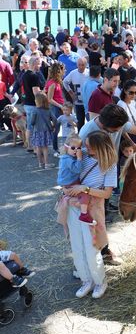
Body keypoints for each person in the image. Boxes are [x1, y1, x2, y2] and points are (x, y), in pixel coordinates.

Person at [61, 130, 118, 298]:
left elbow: (107, 194)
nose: (84, 149)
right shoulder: (82, 153)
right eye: (84, 145)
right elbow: (66, 164)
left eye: (89, 147)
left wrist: (84, 189)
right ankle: (86, 279)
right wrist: (65, 185)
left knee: (91, 247)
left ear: (100, 148)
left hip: (91, 208)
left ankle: (100, 281)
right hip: (73, 204)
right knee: (77, 246)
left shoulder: (110, 165)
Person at [57, 133, 96, 225]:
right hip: (70, 182)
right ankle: (84, 214)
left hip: (71, 181)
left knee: (83, 191)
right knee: (85, 193)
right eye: (73, 148)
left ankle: (80, 204)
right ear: (66, 147)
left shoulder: (69, 156)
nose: (76, 151)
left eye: (79, 148)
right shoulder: (67, 159)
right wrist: (79, 158)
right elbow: (77, 169)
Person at [22, 53, 44, 151]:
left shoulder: (25, 74)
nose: (40, 66)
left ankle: (29, 146)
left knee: (29, 126)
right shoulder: (34, 76)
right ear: (34, 64)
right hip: (34, 104)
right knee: (35, 127)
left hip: (27, 103)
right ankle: (36, 148)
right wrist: (44, 92)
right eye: (39, 64)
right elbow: (36, 92)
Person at [62, 57, 89, 131]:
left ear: (86, 65)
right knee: (80, 122)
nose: (81, 67)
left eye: (82, 65)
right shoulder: (73, 73)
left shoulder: (89, 73)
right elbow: (65, 82)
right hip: (78, 102)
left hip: (88, 103)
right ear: (77, 64)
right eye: (79, 65)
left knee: (90, 122)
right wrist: (70, 92)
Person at [30, 92, 56, 169]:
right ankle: (47, 163)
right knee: (45, 148)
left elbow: (32, 122)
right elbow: (55, 119)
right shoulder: (48, 110)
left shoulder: (35, 110)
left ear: (37, 101)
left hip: (37, 131)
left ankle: (40, 163)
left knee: (38, 147)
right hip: (46, 131)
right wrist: (53, 126)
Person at [45, 62, 65, 157]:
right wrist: (60, 106)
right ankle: (55, 149)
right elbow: (50, 99)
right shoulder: (52, 83)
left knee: (58, 129)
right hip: (55, 108)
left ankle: (57, 148)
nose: (64, 71)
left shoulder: (57, 81)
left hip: (59, 107)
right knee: (56, 130)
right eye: (63, 69)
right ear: (58, 71)